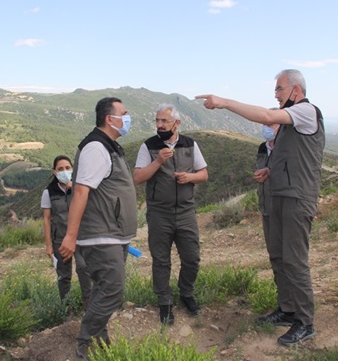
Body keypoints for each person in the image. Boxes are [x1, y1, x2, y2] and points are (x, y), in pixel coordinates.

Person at [197, 69, 325, 346]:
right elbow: (288, 157)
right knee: (278, 256)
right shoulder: (290, 125)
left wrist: (225, 102)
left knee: (295, 260)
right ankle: (287, 309)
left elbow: (267, 117)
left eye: (279, 89)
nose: (276, 95)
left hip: (297, 198)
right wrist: (269, 170)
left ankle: (305, 321)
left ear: (296, 90)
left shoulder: (306, 111)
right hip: (279, 195)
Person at [59, 97, 137, 361]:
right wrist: (71, 235)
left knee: (105, 288)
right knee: (113, 290)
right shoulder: (96, 148)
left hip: (113, 233)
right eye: (124, 114)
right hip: (100, 235)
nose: (128, 118)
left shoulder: (110, 146)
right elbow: (81, 191)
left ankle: (99, 339)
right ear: (109, 119)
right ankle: (86, 340)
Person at [133, 104, 209, 325]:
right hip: (159, 213)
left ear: (177, 123)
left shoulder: (190, 144)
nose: (159, 125)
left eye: (164, 121)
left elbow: (204, 173)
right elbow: (137, 177)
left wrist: (190, 178)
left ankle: (186, 294)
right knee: (161, 261)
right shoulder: (148, 146)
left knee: (192, 258)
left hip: (186, 212)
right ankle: (164, 303)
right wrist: (158, 161)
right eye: (157, 121)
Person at [41, 155, 92, 308]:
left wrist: (74, 188)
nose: (65, 171)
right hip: (60, 239)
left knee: (84, 268)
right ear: (54, 172)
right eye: (60, 169)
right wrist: (49, 245)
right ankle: (66, 309)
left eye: (67, 168)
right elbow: (46, 220)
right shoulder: (48, 192)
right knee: (64, 276)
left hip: (81, 236)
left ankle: (88, 305)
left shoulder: (80, 189)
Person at [255, 122, 280, 249]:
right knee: (273, 250)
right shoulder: (262, 148)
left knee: (287, 251)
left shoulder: (285, 148)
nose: (265, 128)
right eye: (264, 124)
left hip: (282, 208)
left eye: (269, 124)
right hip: (266, 207)